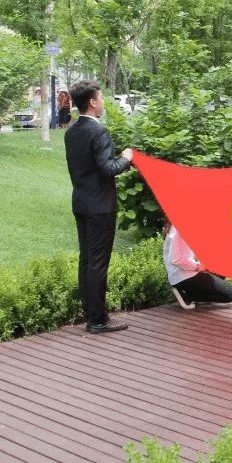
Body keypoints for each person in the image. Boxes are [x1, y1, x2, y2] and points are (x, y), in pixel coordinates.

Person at [64, 81, 134, 333]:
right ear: (92, 102)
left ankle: (91, 314)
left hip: (81, 202)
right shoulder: (98, 132)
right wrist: (126, 158)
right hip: (100, 206)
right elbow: (107, 169)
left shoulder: (72, 131)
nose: (103, 103)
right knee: (97, 263)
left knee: (87, 261)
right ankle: (98, 320)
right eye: (101, 98)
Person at [163, 222, 232, 309]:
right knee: (231, 294)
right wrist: (199, 267)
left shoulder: (186, 225)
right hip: (184, 277)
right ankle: (188, 295)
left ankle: (199, 291)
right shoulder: (181, 230)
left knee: (222, 266)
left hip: (189, 271)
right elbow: (177, 260)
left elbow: (190, 249)